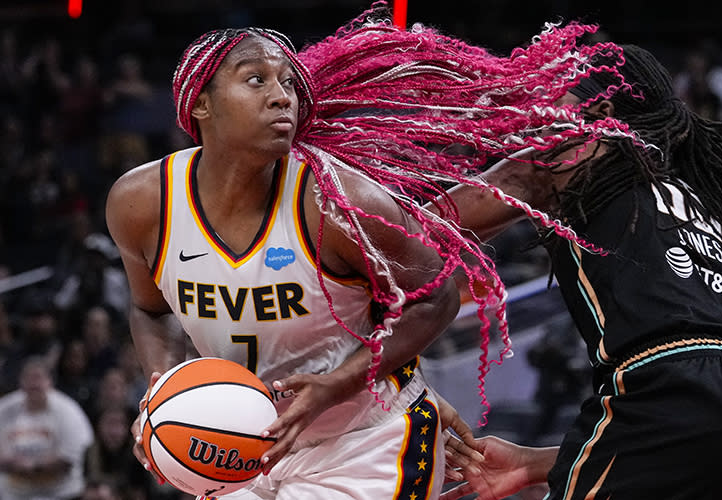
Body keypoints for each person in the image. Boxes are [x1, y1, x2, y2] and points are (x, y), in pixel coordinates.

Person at [105, 26, 460, 500]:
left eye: (288, 82)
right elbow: (152, 310)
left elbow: (437, 297)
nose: (281, 97)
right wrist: (164, 397)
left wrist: (335, 385)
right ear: (200, 105)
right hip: (240, 451)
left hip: (364, 439)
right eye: (256, 80)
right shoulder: (141, 203)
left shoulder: (336, 201)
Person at [438, 43, 722, 500]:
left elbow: (412, 231)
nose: (541, 108)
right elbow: (705, 415)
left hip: (668, 393)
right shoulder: (714, 202)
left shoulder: (574, 153)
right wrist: (533, 464)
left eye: (559, 94)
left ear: (601, 110)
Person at [0, 355, 95, 500]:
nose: (34, 384)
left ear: (49, 382)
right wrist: (12, 463)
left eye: (38, 378)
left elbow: (70, 458)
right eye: (29, 378)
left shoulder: (68, 411)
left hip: (61, 493)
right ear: (21, 382)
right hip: (14, 493)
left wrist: (34, 466)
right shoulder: (5, 408)